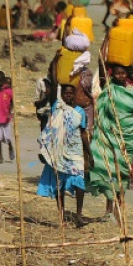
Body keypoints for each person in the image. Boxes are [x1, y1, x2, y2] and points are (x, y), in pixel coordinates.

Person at [89, 63, 133, 223]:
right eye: (117, 73)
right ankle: (108, 208)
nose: (120, 76)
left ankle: (118, 207)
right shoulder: (108, 87)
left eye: (123, 73)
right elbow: (101, 72)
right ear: (113, 74)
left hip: (129, 135)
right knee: (109, 169)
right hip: (110, 134)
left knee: (123, 171)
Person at [36, 84, 92, 227]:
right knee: (59, 184)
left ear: (74, 95)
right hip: (59, 150)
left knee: (79, 181)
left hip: (75, 150)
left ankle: (78, 215)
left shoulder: (79, 112)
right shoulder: (57, 108)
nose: (68, 95)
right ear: (62, 95)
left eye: (71, 93)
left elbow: (83, 133)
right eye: (66, 93)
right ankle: (61, 214)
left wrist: (89, 154)